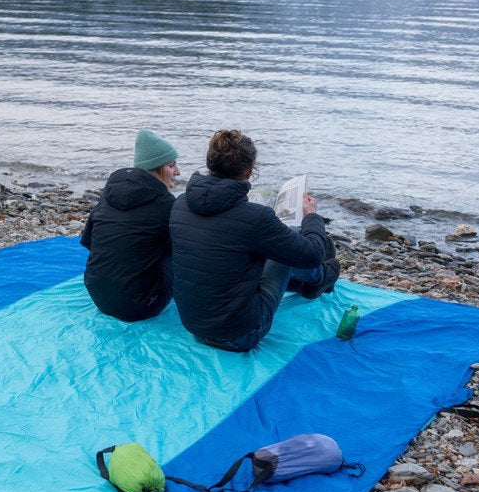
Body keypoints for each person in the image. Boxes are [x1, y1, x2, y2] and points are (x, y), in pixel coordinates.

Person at [170, 129, 339, 352]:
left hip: (194, 326)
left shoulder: (180, 204)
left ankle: (307, 283)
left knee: (255, 246)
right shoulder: (254, 217)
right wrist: (311, 216)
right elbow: (312, 255)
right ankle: (320, 279)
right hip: (240, 335)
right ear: (249, 171)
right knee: (289, 249)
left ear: (210, 165)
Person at [80, 129, 181, 321]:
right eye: (171, 165)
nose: (177, 172)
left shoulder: (108, 195)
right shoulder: (166, 203)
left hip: (97, 295)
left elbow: (88, 241)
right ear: (156, 168)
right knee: (179, 246)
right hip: (142, 305)